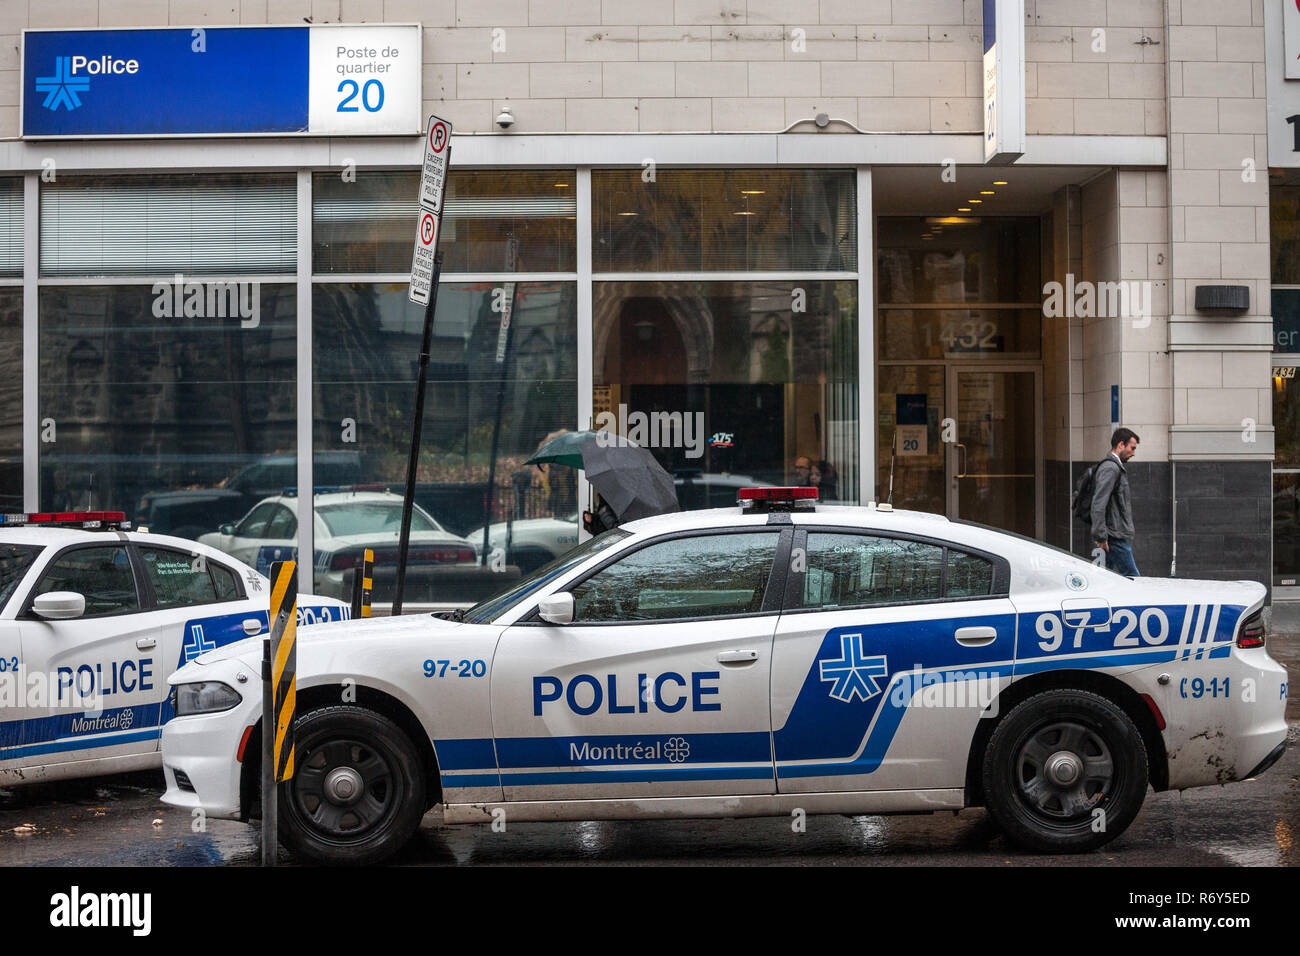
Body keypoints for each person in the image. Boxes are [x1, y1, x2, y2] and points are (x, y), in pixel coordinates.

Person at [1091, 427, 1140, 576]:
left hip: (1110, 535)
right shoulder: (1111, 468)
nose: (1133, 453)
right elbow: (1098, 503)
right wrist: (1101, 536)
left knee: (1103, 577)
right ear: (1120, 445)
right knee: (1133, 578)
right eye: (1132, 448)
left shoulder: (1113, 467)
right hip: (1112, 537)